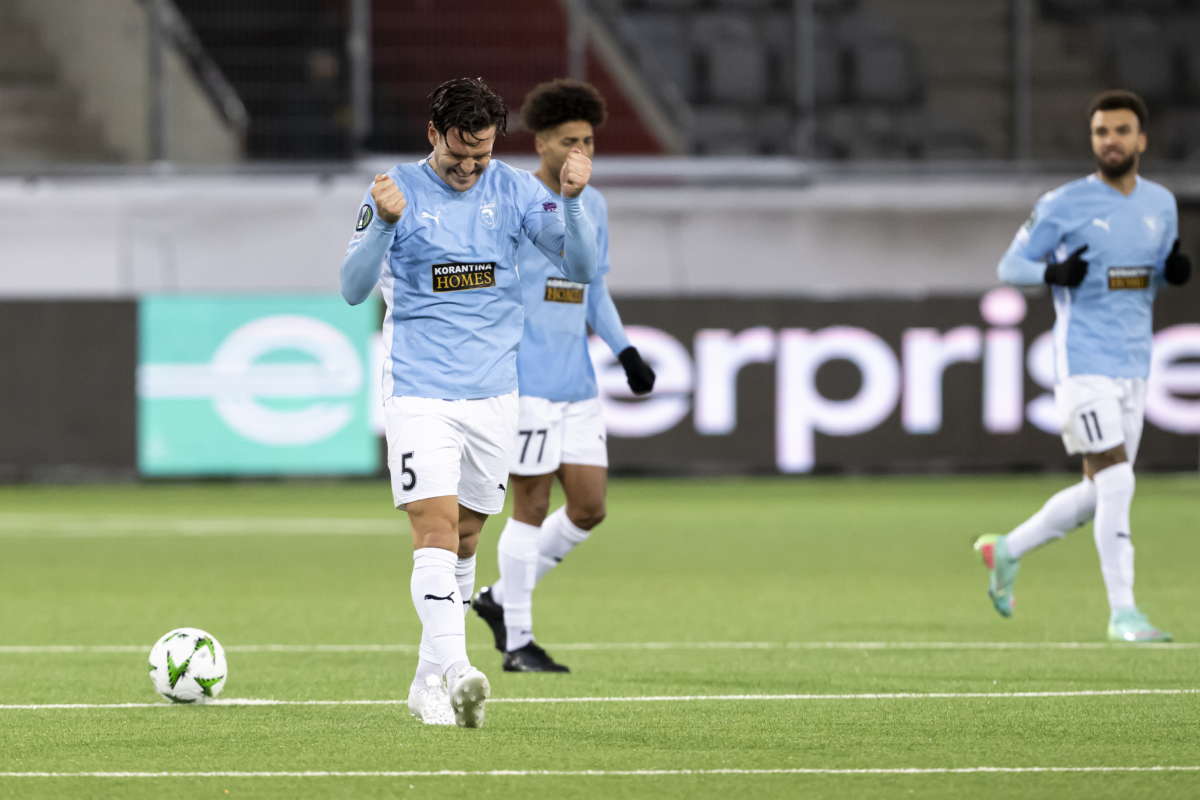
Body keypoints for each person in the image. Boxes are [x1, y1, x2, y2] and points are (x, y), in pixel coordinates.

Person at [339, 77, 600, 726]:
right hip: (419, 389)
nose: (469, 169)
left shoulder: (513, 191)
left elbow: (582, 267)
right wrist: (383, 228)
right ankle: (459, 669)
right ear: (433, 134)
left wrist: (571, 202)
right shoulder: (394, 190)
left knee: (465, 536)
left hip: (494, 394)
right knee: (431, 524)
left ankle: (428, 683)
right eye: (458, 155)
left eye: (481, 156)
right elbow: (351, 288)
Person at [975, 89, 1190, 642]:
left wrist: (1172, 273)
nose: (1110, 141)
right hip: (1083, 364)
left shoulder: (1161, 205)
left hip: (1135, 365)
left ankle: (1007, 550)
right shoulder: (1064, 204)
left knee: (1100, 493)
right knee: (1119, 482)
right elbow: (1010, 265)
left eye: (1120, 131)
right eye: (1100, 132)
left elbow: (1150, 275)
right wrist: (1053, 274)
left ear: (1141, 139)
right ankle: (1124, 614)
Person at [471, 79, 655, 673]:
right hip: (525, 380)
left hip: (577, 380)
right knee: (530, 502)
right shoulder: (515, 201)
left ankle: (500, 598)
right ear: (543, 142)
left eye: (590, 141)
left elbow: (591, 284)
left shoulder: (591, 204)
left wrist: (624, 350)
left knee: (590, 507)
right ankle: (519, 641)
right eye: (570, 140)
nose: (583, 151)